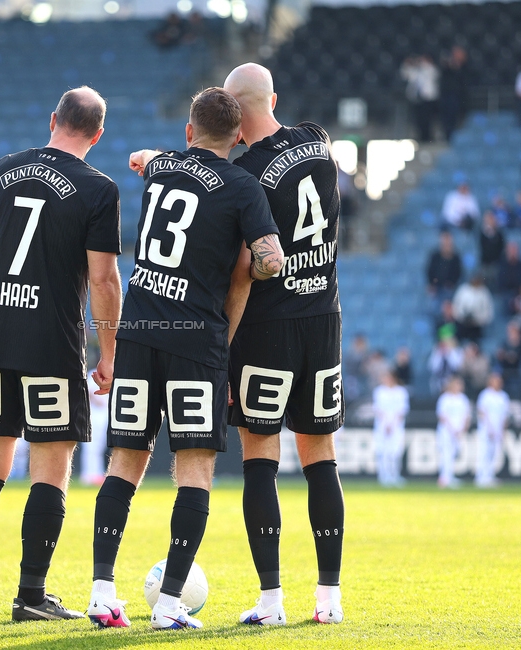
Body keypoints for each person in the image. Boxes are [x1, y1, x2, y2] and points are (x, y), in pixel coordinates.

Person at [90, 85, 283, 631]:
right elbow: (269, 260)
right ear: (241, 135)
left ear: (189, 131)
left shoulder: (165, 167)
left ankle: (102, 592)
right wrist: (263, 259)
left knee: (124, 463)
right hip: (196, 340)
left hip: (140, 331)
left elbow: (151, 158)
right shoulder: (243, 186)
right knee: (194, 468)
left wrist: (148, 157)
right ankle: (170, 605)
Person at [0, 87, 123, 623]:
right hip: (53, 346)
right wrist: (109, 351)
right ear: (97, 135)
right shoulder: (99, 188)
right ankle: (30, 595)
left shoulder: (2, 170)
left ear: (52, 120)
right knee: (49, 472)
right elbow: (102, 277)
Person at [221, 62, 346, 627]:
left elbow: (246, 265)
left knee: (260, 461)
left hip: (267, 327)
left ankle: (271, 601)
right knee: (321, 457)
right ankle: (329, 599)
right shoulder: (319, 143)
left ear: (231, 116)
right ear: (274, 96)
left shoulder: (243, 174)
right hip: (323, 319)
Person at [372, 371, 409, 487]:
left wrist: (393, 424)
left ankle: (395, 475)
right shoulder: (379, 391)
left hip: (396, 427)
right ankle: (383, 476)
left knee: (395, 452)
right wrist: (386, 424)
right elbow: (378, 410)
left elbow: (402, 411)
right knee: (382, 451)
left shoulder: (401, 392)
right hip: (382, 427)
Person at [475, 373, 509, 488]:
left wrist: (503, 430)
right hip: (486, 429)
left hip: (498, 430)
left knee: (494, 453)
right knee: (484, 452)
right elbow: (482, 412)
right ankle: (481, 476)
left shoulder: (503, 396)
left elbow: (505, 415)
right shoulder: (485, 395)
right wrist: (489, 427)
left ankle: (490, 476)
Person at [436, 376, 470, 489]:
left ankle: (450, 476)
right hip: (446, 431)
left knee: (454, 453)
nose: (459, 387)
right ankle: (444, 477)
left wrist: (462, 429)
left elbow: (466, 416)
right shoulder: (445, 398)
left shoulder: (463, 399)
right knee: (446, 453)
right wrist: (452, 429)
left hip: (458, 432)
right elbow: (442, 416)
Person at [401, 55, 440, 142]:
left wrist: (423, 63)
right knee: (418, 120)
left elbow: (432, 73)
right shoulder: (416, 71)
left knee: (428, 119)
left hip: (428, 99)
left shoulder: (431, 69)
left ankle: (428, 137)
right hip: (417, 99)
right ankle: (421, 137)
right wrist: (408, 64)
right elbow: (405, 74)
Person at [451, 274, 494, 344]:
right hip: (463, 322)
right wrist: (462, 317)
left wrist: (478, 319)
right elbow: (456, 306)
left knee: (476, 342)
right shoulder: (463, 289)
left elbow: (489, 312)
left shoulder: (484, 292)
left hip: (477, 325)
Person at [426, 230, 463, 308]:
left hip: (449, 288)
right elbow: (430, 271)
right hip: (436, 287)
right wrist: (432, 283)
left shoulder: (455, 257)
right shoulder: (435, 256)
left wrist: (452, 283)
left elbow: (458, 272)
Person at [439, 46, 468, 142]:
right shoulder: (447, 66)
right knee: (446, 119)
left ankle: (454, 137)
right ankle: (448, 137)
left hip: (458, 97)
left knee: (455, 118)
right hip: (446, 96)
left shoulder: (464, 67)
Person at [79, 390, 108, 486]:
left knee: (98, 448)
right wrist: (96, 400)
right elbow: (86, 391)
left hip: (103, 416)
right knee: (91, 447)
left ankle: (97, 473)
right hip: (92, 416)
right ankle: (88, 474)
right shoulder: (93, 376)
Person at [495, 322, 521, 398]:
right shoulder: (504, 343)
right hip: (505, 370)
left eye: (512, 332)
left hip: (517, 371)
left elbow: (513, 358)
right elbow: (500, 355)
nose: (510, 334)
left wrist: (507, 355)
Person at [478, 211, 504, 286]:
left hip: (496, 263)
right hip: (484, 264)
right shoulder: (481, 234)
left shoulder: (499, 234)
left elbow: (501, 248)